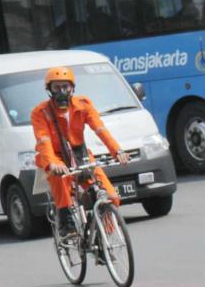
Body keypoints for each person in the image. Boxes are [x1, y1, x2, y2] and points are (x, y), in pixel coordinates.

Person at [31, 66, 130, 234]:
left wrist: (117, 151)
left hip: (80, 155)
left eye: (65, 87)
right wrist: (53, 163)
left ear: (72, 88)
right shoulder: (40, 112)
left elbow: (100, 130)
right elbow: (43, 140)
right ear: (49, 90)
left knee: (111, 197)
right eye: (56, 87)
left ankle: (102, 239)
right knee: (59, 177)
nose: (62, 91)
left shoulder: (84, 105)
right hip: (55, 157)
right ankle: (66, 220)